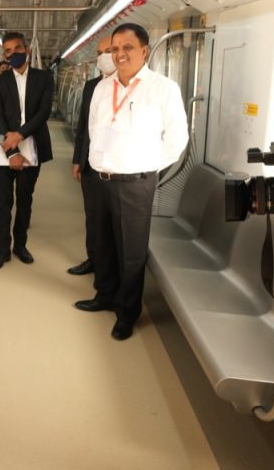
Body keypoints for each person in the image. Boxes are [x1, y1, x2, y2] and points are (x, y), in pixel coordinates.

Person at [74, 23, 187, 341]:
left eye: (127, 47)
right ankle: (104, 295)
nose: (119, 54)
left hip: (136, 182)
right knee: (102, 243)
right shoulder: (102, 88)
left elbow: (177, 139)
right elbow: (93, 128)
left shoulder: (163, 89)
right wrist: (97, 162)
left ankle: (127, 312)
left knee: (130, 251)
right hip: (100, 178)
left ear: (144, 51)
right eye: (115, 48)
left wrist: (147, 167)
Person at [0, 31, 55, 270]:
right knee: (3, 203)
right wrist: (11, 151)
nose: (13, 54)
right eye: (8, 51)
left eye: (17, 48)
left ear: (26, 50)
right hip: (4, 147)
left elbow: (43, 112)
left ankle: (20, 246)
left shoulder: (44, 78)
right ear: (4, 55)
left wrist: (20, 134)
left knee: (25, 200)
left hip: (32, 145)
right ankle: (2, 251)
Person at [68, 36, 115, 276]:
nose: (103, 56)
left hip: (116, 166)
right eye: (99, 52)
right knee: (93, 216)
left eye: (109, 50)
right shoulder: (91, 86)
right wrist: (78, 159)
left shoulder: (129, 87)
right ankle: (93, 259)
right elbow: (83, 126)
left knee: (112, 219)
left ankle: (111, 266)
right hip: (90, 162)